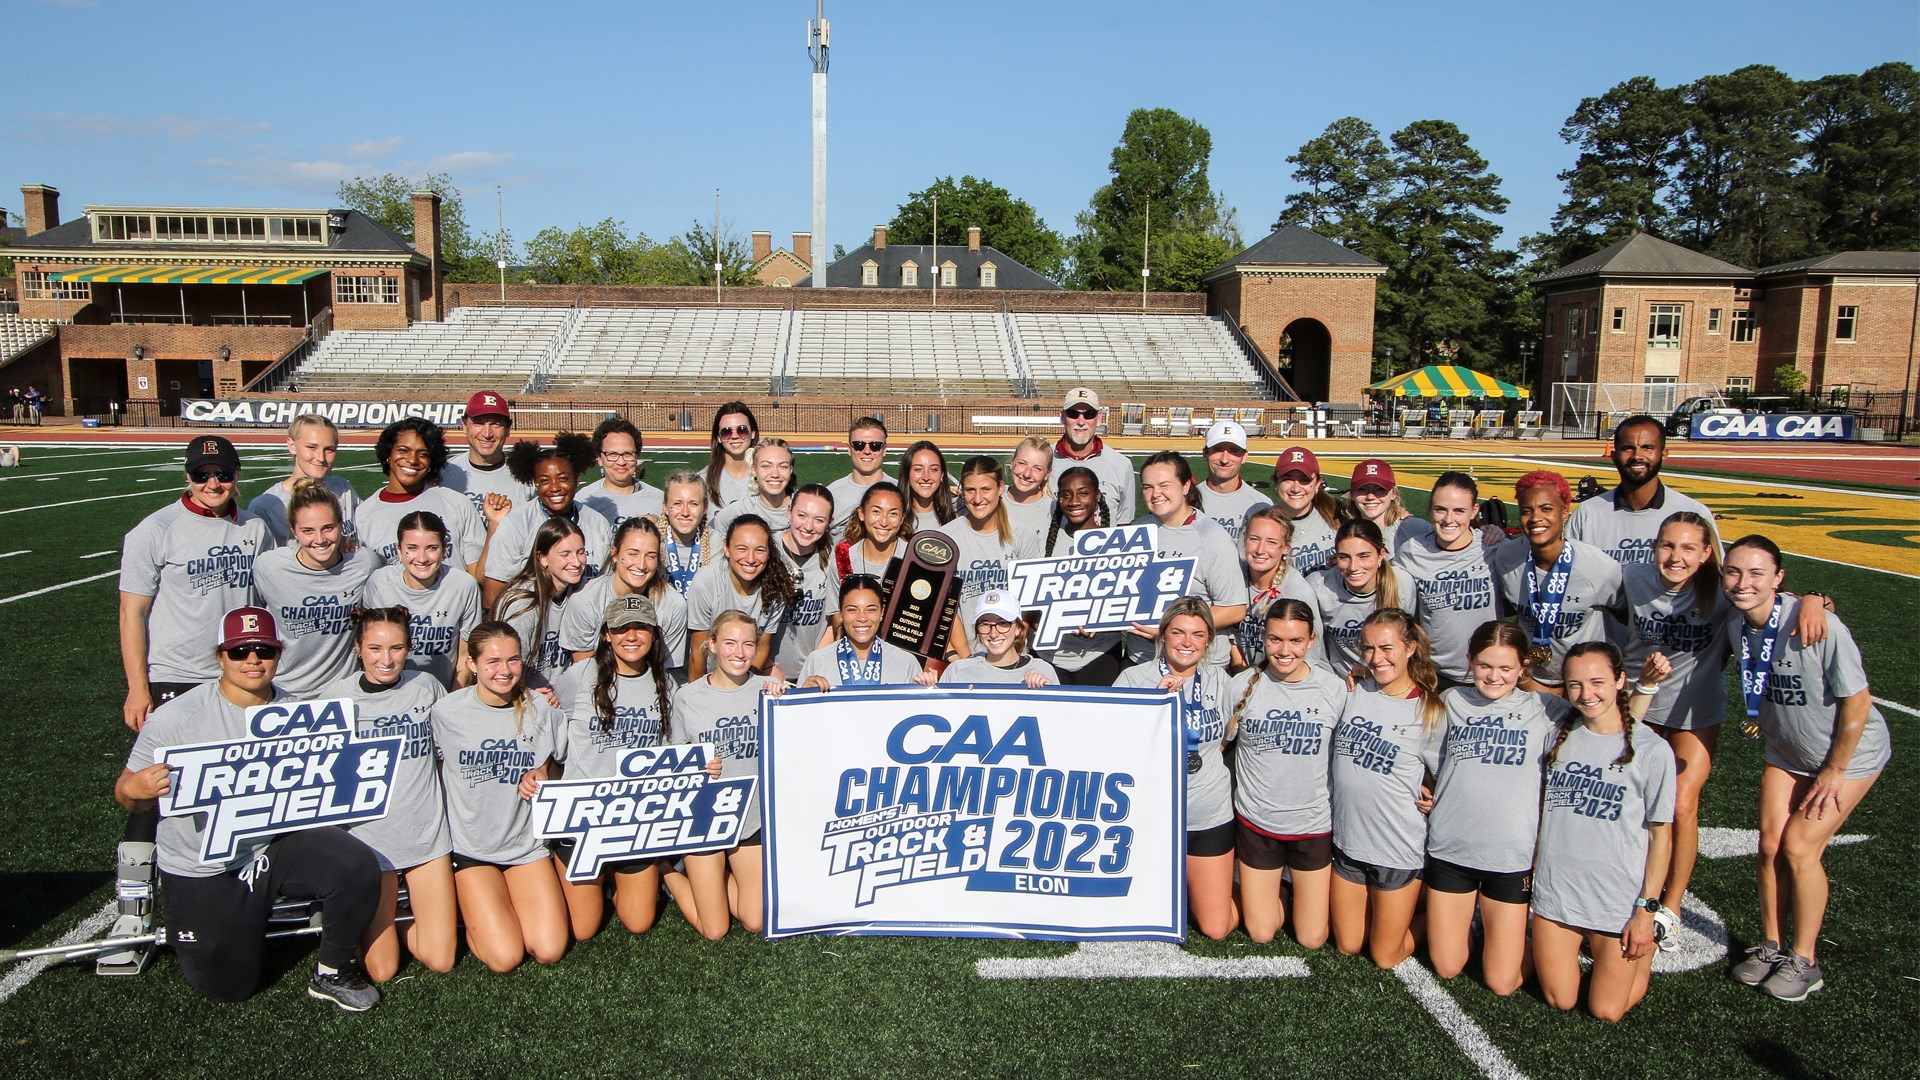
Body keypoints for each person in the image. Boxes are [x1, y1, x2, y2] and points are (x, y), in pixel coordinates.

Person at [116, 606, 382, 1008]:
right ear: (220, 656)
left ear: (279, 654)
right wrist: (138, 788)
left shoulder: (297, 711)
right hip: (203, 865)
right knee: (229, 986)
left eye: (264, 650)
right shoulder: (178, 717)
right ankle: (224, 922)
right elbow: (124, 793)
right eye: (240, 651)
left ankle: (331, 970)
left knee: (356, 864)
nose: (253, 660)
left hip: (270, 847)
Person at [110, 434, 271, 970]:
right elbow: (132, 614)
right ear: (187, 475)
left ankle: (235, 881)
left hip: (235, 677)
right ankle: (133, 904)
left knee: (237, 783)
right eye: (202, 474)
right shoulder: (154, 530)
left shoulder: (253, 527)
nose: (212, 484)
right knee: (157, 789)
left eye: (222, 474)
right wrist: (139, 686)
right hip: (175, 678)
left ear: (236, 475)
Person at [1717, 534, 1888, 1001]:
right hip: (1787, 751)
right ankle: (1772, 946)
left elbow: (1858, 701)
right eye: (1733, 572)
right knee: (1769, 845)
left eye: (1756, 573)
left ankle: (1805, 960)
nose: (1743, 582)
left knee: (1798, 847)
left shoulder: (1816, 623)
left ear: (1778, 578)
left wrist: (1834, 770)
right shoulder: (1736, 620)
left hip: (1848, 756)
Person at [1423, 621, 1572, 996]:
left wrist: (1646, 687)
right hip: (1451, 848)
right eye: (1485, 665)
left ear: (1524, 667)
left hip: (1509, 856)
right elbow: (1425, 758)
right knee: (1446, 965)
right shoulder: (1451, 701)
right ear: (1470, 660)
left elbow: (1608, 721)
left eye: (1506, 668)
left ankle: (1536, 935)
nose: (1494, 676)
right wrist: (1425, 788)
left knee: (1502, 983)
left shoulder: (1546, 709)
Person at [1531, 642, 1675, 1022]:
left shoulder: (1652, 750)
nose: (1586, 694)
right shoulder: (1556, 734)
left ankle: (1649, 947)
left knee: (1606, 1010)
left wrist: (1647, 910)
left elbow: (1662, 837)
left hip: (1619, 901)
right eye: (1575, 684)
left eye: (1597, 682)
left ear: (1620, 680)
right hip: (1557, 892)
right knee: (1559, 999)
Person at [321, 607, 457, 982]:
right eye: (376, 648)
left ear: (408, 648)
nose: (387, 659)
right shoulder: (334, 699)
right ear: (357, 649)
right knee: (381, 971)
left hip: (426, 837)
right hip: (368, 843)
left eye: (396, 648)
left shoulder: (426, 686)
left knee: (441, 959)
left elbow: (453, 741)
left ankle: (402, 922)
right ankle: (376, 925)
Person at [1618, 511, 1732, 948]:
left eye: (1688, 548)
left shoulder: (1723, 588)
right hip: (1636, 705)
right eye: (1668, 545)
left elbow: (1777, 601)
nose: (1676, 556)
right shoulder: (1632, 577)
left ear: (1706, 553)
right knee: (1629, 800)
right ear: (1654, 547)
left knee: (1681, 805)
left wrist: (1818, 599)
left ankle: (1673, 905)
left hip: (1693, 711)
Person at [430, 621, 569, 971]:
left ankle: (490, 910)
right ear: (472, 664)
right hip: (472, 849)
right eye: (492, 662)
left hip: (526, 847)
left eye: (512, 660)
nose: (503, 671)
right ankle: (472, 914)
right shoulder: (447, 712)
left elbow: (563, 765)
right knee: (505, 958)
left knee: (549, 949)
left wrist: (544, 772)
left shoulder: (542, 709)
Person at [549, 596, 675, 939]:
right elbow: (544, 714)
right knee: (584, 929)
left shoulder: (666, 685)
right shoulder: (579, 675)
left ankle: (643, 870)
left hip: (634, 817)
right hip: (582, 817)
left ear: (654, 634)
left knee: (638, 922)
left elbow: (673, 753)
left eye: (640, 627)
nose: (631, 636)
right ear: (607, 634)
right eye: (621, 628)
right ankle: (574, 871)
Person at [1225, 600, 1345, 948]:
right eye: (1276, 639)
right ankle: (1266, 886)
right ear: (1263, 638)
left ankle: (1287, 889)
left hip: (1312, 826)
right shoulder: (1241, 686)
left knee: (1311, 939)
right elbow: (1215, 744)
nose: (1284, 650)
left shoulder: (1333, 689)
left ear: (1311, 641)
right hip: (1257, 824)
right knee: (1262, 933)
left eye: (1295, 641)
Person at [1327, 609, 1442, 969]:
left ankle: (1440, 920)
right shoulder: (1355, 692)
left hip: (1397, 849)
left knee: (1384, 956)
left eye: (1387, 648)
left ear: (1410, 648)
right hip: (1348, 844)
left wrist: (1437, 798)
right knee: (1347, 945)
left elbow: (1447, 777)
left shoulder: (1430, 711)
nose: (1376, 658)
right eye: (1369, 648)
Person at [1115, 597, 1236, 939]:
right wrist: (1154, 703)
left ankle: (1248, 894)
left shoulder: (1222, 682)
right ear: (1162, 635)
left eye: (1198, 635)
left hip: (1207, 815)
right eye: (1178, 632)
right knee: (1140, 919)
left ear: (1209, 640)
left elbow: (1227, 736)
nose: (1187, 642)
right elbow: (1114, 745)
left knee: (1215, 929)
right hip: (1149, 818)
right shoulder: (1132, 679)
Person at [665, 609, 786, 938]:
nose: (740, 652)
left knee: (755, 919)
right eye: (730, 643)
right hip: (703, 817)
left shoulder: (771, 688)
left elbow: (810, 715)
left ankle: (713, 880)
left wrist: (815, 685)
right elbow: (672, 758)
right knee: (715, 930)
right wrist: (694, 764)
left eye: (748, 644)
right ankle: (667, 870)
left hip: (751, 817)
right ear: (712, 645)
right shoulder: (688, 696)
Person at [1489, 471, 1624, 693]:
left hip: (1585, 681)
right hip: (1533, 676)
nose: (1535, 518)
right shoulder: (1507, 556)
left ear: (1564, 513)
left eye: (1546, 509)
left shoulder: (1598, 567)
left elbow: (1623, 616)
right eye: (1526, 511)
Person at [251, 480, 377, 698]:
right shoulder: (269, 568)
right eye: (307, 531)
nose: (319, 540)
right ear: (293, 530)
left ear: (341, 524)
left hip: (342, 692)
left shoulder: (365, 563)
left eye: (328, 528)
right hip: (283, 691)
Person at [1125, 452, 1246, 669]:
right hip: (1142, 658)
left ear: (1185, 487)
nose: (1155, 494)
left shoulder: (1211, 537)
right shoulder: (1139, 529)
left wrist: (1169, 627)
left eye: (1164, 485)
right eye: (1147, 487)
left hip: (1195, 664)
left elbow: (1234, 608)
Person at [1568, 414, 1719, 569]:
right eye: (1628, 448)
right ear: (1614, 456)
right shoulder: (1586, 514)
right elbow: (1566, 575)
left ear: (1664, 454)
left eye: (1648, 448)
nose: (1637, 456)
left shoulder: (1694, 513)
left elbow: (1713, 578)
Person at [480, 434, 612, 609]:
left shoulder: (598, 523)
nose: (555, 487)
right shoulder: (516, 524)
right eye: (544, 481)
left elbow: (605, 587)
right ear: (535, 483)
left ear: (577, 479)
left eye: (563, 478)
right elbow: (492, 596)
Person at [1394, 472, 1498, 689]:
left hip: (1492, 674)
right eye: (1440, 509)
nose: (1449, 520)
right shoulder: (1412, 552)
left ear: (1474, 511)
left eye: (1459, 511)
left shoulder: (1493, 548)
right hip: (1434, 675)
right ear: (1430, 508)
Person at [361, 511, 483, 688]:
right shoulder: (380, 583)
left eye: (432, 548)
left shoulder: (463, 585)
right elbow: (371, 650)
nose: (422, 558)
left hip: (443, 692)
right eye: (412, 548)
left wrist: (451, 704)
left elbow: (465, 656)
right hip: (392, 692)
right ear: (399, 550)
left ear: (444, 549)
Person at [560, 517, 690, 682]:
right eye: (633, 554)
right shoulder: (586, 601)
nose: (641, 565)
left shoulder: (673, 605)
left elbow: (665, 671)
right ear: (614, 554)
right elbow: (584, 671)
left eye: (650, 556)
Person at [352, 417, 486, 573]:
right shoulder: (364, 514)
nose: (412, 460)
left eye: (423, 454)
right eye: (403, 450)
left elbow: (478, 573)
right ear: (388, 453)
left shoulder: (456, 503)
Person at [1029, 467, 1124, 686]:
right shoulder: (1041, 540)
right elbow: (1027, 605)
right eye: (1066, 494)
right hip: (1047, 657)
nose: (1074, 501)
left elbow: (1129, 601)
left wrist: (1100, 620)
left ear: (1097, 496)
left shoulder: (1118, 543)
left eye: (1083, 493)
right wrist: (1051, 621)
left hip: (1100, 653)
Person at [686, 515, 795, 680]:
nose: (750, 559)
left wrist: (746, 687)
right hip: (710, 674)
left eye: (759, 550)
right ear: (726, 548)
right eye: (742, 549)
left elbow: (763, 645)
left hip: (746, 672)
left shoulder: (776, 586)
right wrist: (699, 694)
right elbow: (698, 650)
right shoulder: (706, 582)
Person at [492, 517, 589, 681]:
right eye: (565, 554)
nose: (576, 562)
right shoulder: (522, 603)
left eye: (580, 552)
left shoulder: (580, 591)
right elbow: (506, 667)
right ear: (542, 558)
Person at [247, 414, 362, 547]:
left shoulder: (342, 488)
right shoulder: (266, 505)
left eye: (329, 449)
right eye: (312, 447)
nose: (320, 457)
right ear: (292, 446)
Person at [1306, 519, 1402, 675]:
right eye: (1344, 557)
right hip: (1339, 683)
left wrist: (1369, 672)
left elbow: (1407, 646)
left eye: (1363, 556)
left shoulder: (1401, 584)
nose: (1353, 567)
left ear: (1381, 555)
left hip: (1389, 676)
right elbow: (1315, 650)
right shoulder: (1319, 585)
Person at [798, 576, 926, 687]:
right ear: (841, 613)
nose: (862, 618)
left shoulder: (906, 662)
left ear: (882, 612)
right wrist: (803, 694)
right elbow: (798, 713)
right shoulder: (817, 660)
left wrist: (929, 689)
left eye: (871, 610)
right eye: (852, 610)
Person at [1229, 508, 1314, 674]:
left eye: (1271, 542)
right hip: (1244, 675)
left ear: (1285, 548)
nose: (1260, 549)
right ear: (1244, 540)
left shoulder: (1296, 592)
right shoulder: (1233, 576)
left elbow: (1309, 656)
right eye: (1254, 539)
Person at [770, 484, 840, 679]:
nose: (808, 526)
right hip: (765, 671)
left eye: (819, 520)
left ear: (829, 522)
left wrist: (815, 665)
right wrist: (768, 668)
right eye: (802, 515)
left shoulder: (834, 556)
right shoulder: (767, 549)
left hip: (815, 673)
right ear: (789, 512)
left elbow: (835, 617)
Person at [949, 456, 1020, 650]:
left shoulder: (1022, 534)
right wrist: (965, 659)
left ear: (1001, 488)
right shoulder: (947, 538)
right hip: (965, 654)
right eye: (970, 490)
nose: (978, 499)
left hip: (1010, 652)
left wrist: (1014, 651)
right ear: (962, 491)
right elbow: (945, 608)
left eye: (986, 489)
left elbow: (1028, 604)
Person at [933, 590, 1057, 687]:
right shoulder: (958, 670)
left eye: (1003, 623)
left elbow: (1060, 716)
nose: (993, 634)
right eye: (985, 624)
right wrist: (926, 688)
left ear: (1018, 628)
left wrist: (1048, 693)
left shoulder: (1043, 669)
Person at [442, 390, 531, 524]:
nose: (487, 433)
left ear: (508, 429)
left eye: (496, 424)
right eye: (479, 423)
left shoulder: (527, 477)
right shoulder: (444, 474)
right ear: (464, 426)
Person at [1050, 386, 1134, 518]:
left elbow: (1123, 523)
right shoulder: (1043, 461)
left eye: (1089, 414)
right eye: (1073, 413)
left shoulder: (1121, 465)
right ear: (1062, 417)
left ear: (1099, 418)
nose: (1081, 421)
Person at [577, 416, 663, 528]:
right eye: (612, 454)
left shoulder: (660, 500)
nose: (621, 462)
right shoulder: (583, 502)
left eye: (628, 454)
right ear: (599, 458)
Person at [1338, 459, 1431, 559]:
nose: (1370, 496)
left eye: (1380, 489)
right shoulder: (1340, 529)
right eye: (1362, 489)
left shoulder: (1416, 528)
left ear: (1393, 494)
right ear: (1352, 494)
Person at [1199, 418, 1270, 541]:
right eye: (1218, 449)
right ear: (1205, 453)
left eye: (1233, 451)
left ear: (1244, 456)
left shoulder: (1262, 505)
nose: (1224, 459)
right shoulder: (1187, 500)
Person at [1272, 446, 1338, 575]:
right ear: (1276, 483)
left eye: (1304, 480)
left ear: (1318, 483)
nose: (1296, 488)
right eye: (1288, 479)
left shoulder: (1336, 518)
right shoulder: (1262, 525)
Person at [712, 437, 796, 538]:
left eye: (783, 466)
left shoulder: (805, 506)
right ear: (754, 470)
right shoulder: (739, 511)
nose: (775, 474)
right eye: (766, 466)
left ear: (791, 470)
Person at [827, 415, 891, 535]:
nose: (867, 451)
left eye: (875, 445)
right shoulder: (831, 494)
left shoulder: (901, 491)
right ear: (849, 449)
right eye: (858, 445)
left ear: (885, 449)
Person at [836, 481, 907, 581]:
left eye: (893, 514)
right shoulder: (844, 559)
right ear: (861, 514)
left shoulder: (913, 559)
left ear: (902, 518)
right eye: (876, 512)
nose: (884, 522)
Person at [658, 471, 712, 597]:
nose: (685, 512)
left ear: (705, 508)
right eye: (677, 503)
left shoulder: (717, 544)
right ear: (665, 507)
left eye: (693, 504)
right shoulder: (651, 540)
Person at [702, 402, 759, 513]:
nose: (734, 436)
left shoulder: (768, 478)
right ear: (718, 437)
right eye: (726, 432)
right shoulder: (703, 480)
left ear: (753, 433)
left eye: (742, 430)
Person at [897, 439, 957, 534]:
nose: (926, 477)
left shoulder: (959, 511)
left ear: (942, 475)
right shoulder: (893, 515)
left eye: (933, 469)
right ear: (907, 473)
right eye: (918, 469)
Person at [1003, 435, 1056, 538]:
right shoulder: (992, 499)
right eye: (1022, 463)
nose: (1027, 474)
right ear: (1012, 462)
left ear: (1047, 474)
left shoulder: (1053, 510)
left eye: (1037, 468)